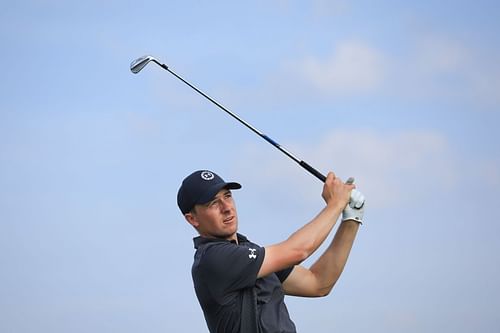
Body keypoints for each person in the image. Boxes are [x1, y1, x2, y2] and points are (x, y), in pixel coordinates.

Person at [177, 169, 365, 333]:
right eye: (213, 203)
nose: (227, 208)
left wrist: (351, 219)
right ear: (192, 219)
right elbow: (298, 251)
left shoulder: (250, 252)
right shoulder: (213, 258)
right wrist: (335, 204)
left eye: (227, 196)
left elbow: (318, 283)